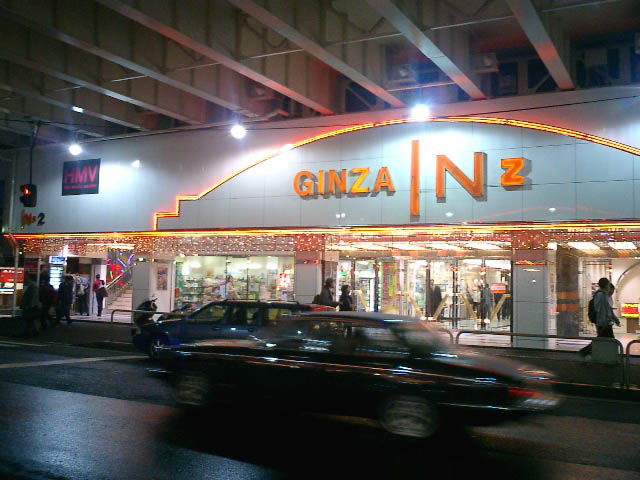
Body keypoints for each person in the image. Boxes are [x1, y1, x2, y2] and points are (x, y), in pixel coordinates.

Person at [580, 278, 620, 357]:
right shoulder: (601, 295)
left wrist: (615, 320)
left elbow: (606, 309)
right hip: (604, 323)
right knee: (609, 341)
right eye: (608, 285)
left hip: (603, 322)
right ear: (606, 285)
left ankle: (592, 354)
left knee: (602, 340)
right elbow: (603, 310)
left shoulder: (600, 294)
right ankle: (586, 352)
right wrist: (607, 321)